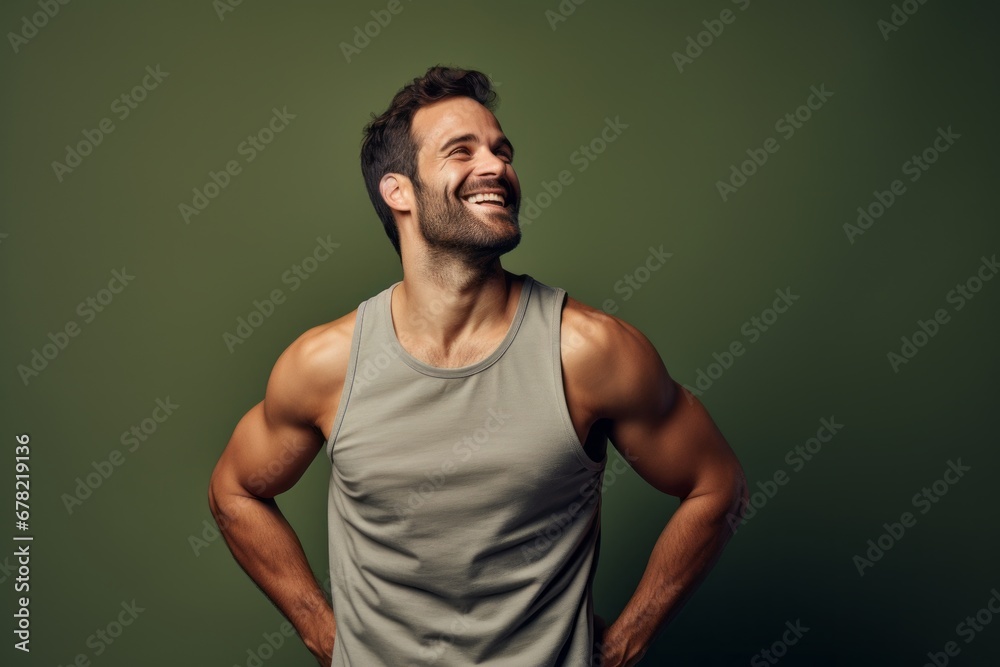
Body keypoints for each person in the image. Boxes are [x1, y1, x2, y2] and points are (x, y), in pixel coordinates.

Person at [208, 65, 748, 667]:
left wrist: (624, 645)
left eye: (501, 151)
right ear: (398, 192)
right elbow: (235, 491)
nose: (496, 167)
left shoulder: (586, 352)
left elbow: (717, 487)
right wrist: (321, 631)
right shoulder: (327, 365)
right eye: (461, 151)